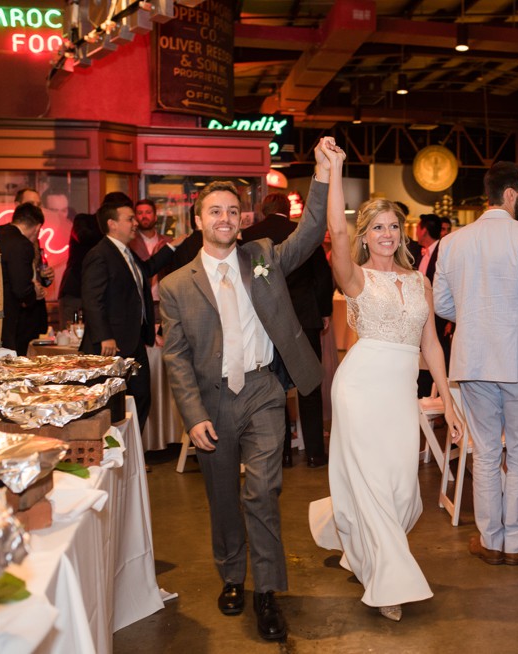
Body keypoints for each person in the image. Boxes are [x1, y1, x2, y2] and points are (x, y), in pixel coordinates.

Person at [159, 137, 333, 642]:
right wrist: (192, 417)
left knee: (263, 490)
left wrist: (321, 174)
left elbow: (313, 230)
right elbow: (176, 358)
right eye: (215, 211)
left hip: (262, 390)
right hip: (212, 401)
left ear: (243, 217)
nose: (225, 218)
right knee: (221, 497)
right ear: (198, 220)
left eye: (233, 210)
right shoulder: (175, 285)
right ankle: (233, 577)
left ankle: (267, 592)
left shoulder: (263, 257)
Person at [310, 146, 463, 623]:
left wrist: (449, 398)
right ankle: (388, 583)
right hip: (359, 389)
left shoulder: (419, 282)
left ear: (401, 233)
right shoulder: (353, 277)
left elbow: (433, 345)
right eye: (377, 226)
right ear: (366, 234)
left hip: (399, 394)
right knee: (376, 485)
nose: (386, 233)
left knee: (403, 491)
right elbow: (335, 229)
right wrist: (334, 171)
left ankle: (354, 541)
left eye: (393, 226)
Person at [434, 161, 518, 566]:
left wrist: (473, 318)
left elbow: (440, 304)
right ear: (509, 195)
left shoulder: (454, 241)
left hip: (472, 361)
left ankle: (491, 541)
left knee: (487, 453)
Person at [241, 191, 333, 469]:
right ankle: (315, 453)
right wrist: (324, 310)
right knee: (309, 384)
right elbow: (322, 275)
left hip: (268, 320)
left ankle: (281, 454)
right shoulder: (301, 233)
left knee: (275, 386)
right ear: (288, 210)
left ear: (263, 209)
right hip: (304, 317)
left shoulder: (249, 235)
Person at [80, 199, 181, 431]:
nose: (135, 223)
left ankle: (132, 452)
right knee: (110, 403)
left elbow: (146, 270)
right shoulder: (100, 254)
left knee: (141, 397)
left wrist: (172, 247)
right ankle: (113, 453)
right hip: (112, 344)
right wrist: (104, 336)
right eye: (130, 219)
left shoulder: (126, 252)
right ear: (112, 224)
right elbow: (92, 299)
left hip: (134, 340)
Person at [0, 203, 46, 355]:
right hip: (8, 313)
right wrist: (34, 293)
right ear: (37, 228)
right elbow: (20, 289)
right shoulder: (22, 244)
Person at [415, 213, 452, 397]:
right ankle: (425, 397)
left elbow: (451, 284)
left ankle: (438, 399)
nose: (416, 231)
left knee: (440, 358)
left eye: (418, 227)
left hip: (439, 317)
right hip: (423, 316)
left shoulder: (442, 252)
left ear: (424, 230)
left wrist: (450, 320)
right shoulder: (422, 252)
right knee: (424, 360)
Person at [58, 213, 101, 328]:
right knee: (69, 336)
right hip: (75, 291)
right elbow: (83, 236)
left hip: (97, 295)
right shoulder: (85, 222)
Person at [129, 199, 173, 304]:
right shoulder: (130, 243)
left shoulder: (168, 243)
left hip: (165, 301)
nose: (144, 216)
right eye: (140, 213)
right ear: (135, 217)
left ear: (155, 216)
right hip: (140, 302)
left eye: (148, 212)